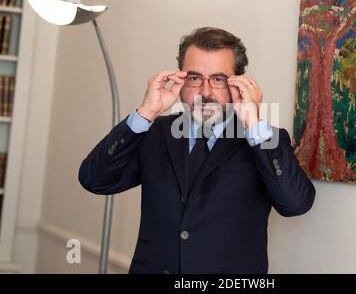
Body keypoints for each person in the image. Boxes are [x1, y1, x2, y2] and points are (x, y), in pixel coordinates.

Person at [78, 27, 315, 274]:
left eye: (218, 79)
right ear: (180, 81)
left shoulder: (264, 139)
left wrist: (253, 123)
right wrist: (145, 112)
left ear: (239, 84)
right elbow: (94, 180)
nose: (205, 92)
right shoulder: (154, 132)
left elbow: (295, 204)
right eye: (194, 78)